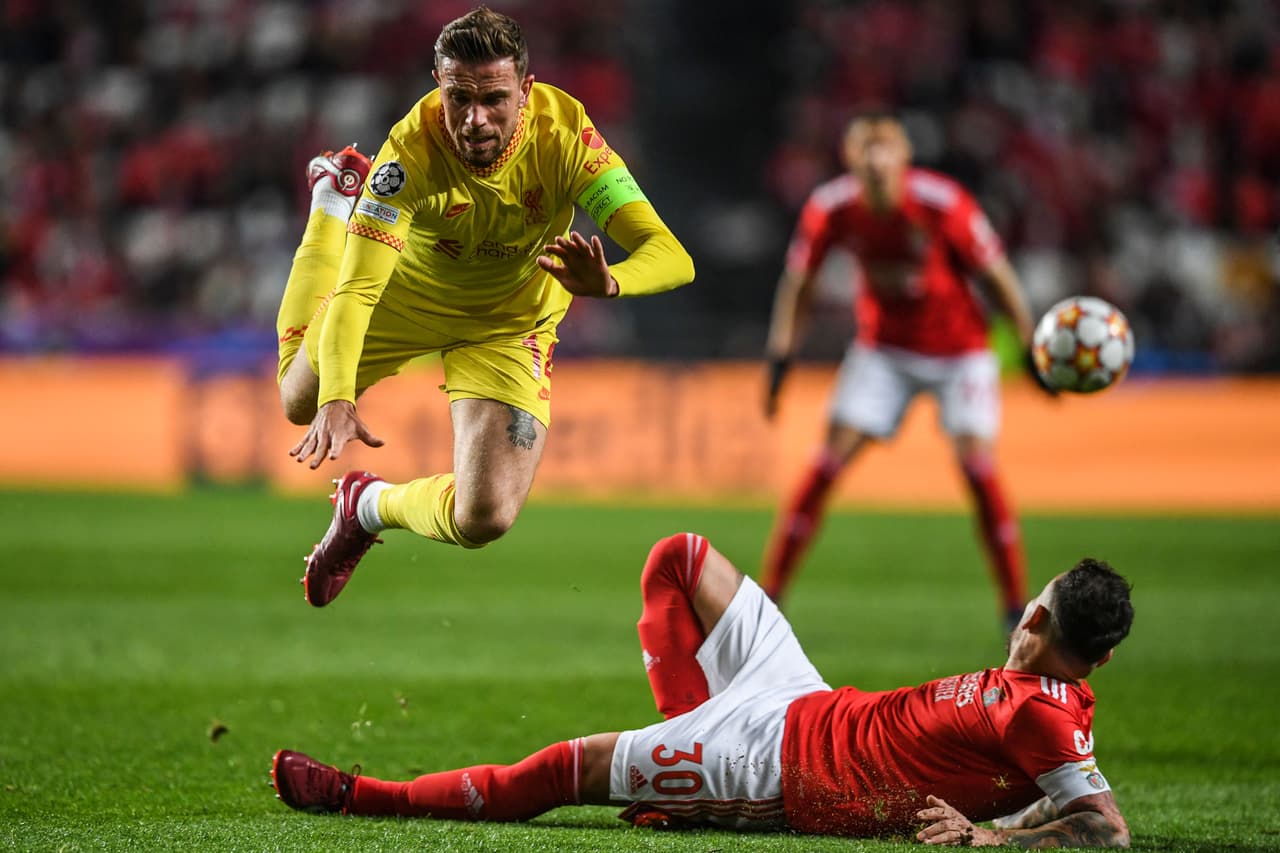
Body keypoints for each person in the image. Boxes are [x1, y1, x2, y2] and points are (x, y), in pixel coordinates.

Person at [271, 532, 1134, 848]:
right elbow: (1061, 798)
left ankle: (357, 797)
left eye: (1035, 612)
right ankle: (685, 743)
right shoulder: (1055, 697)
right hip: (804, 696)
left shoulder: (1039, 715)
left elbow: (1105, 828)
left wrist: (989, 840)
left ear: (1051, 633)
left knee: (562, 769)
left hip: (777, 765)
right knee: (678, 558)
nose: (1021, 616)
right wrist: (1004, 817)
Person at [274, 7, 694, 606]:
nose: (474, 120)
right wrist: (338, 399)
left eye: (494, 99)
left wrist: (612, 284)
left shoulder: (565, 138)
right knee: (299, 400)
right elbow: (359, 291)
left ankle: (364, 506)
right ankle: (331, 206)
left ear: (525, 90)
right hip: (409, 296)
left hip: (509, 321)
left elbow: (672, 255)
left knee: (485, 517)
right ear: (439, 85)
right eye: (458, 98)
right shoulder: (408, 156)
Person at [760, 112, 1052, 631]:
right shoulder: (832, 209)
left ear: (904, 159)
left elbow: (997, 275)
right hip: (885, 350)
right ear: (851, 161)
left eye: (885, 147)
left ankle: (1013, 605)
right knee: (827, 461)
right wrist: (781, 354)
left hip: (959, 348)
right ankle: (770, 597)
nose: (875, 159)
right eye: (865, 149)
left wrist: (1030, 346)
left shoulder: (943, 203)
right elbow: (798, 283)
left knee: (975, 465)